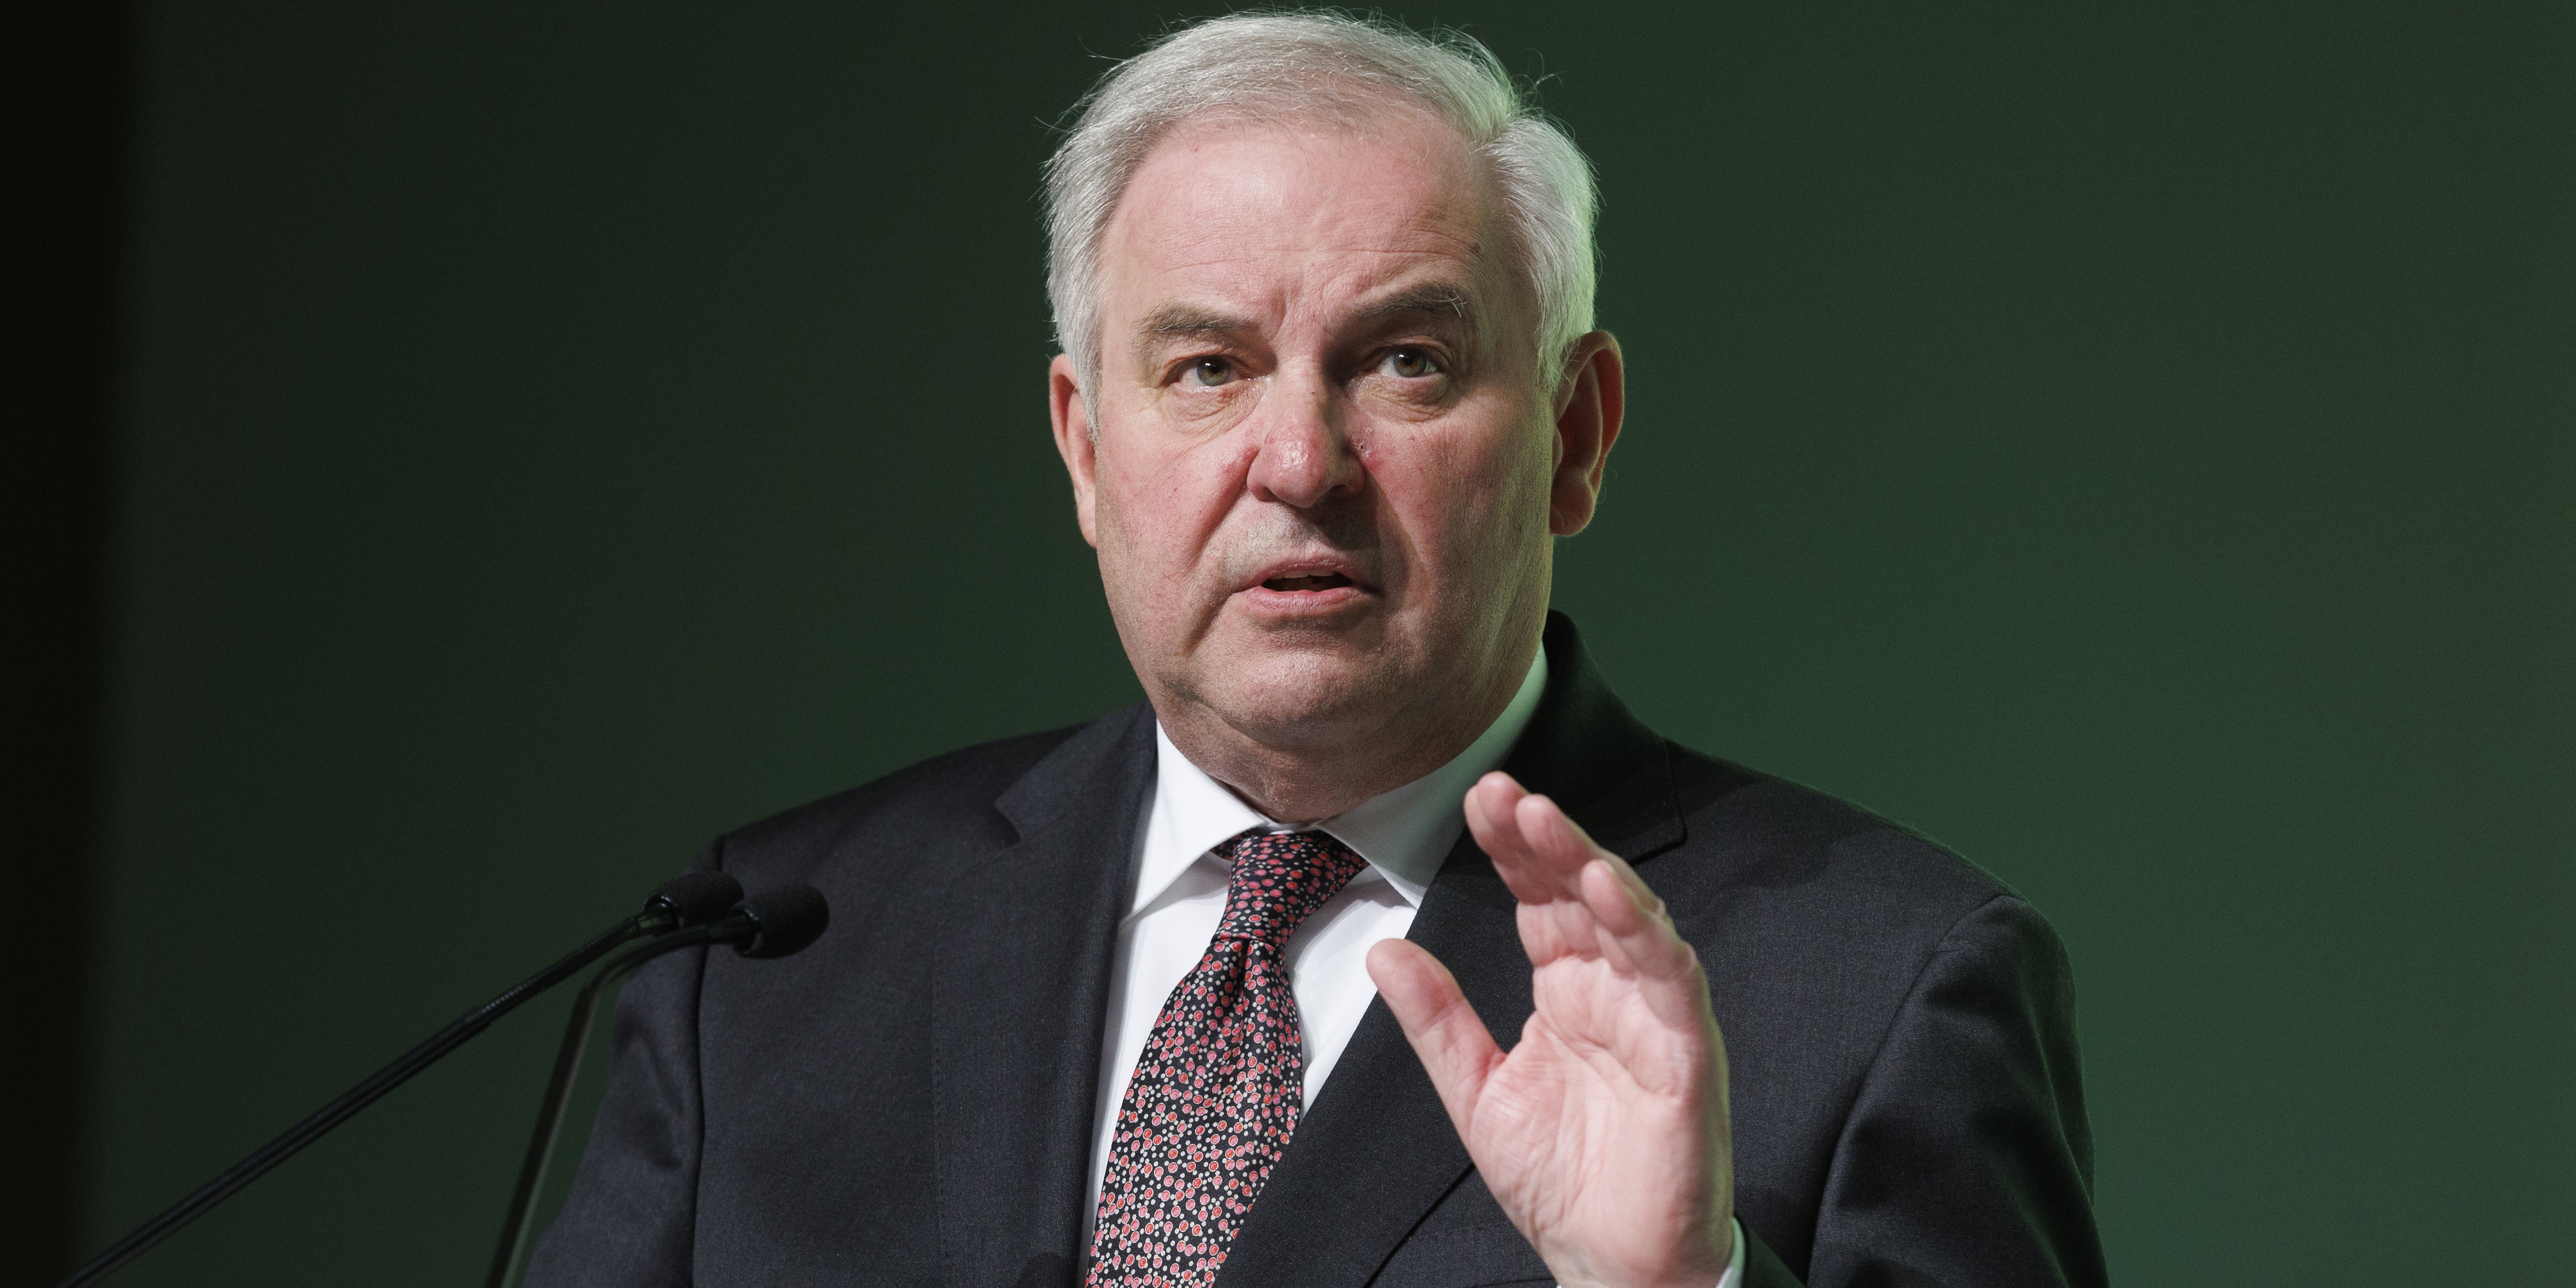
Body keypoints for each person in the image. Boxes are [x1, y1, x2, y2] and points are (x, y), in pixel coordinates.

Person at [525, 13, 2103, 1288]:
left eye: (1403, 362)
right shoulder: (767, 960)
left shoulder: (1884, 985)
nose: (1296, 461)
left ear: (1572, 432)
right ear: (1085, 449)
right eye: (1207, 368)